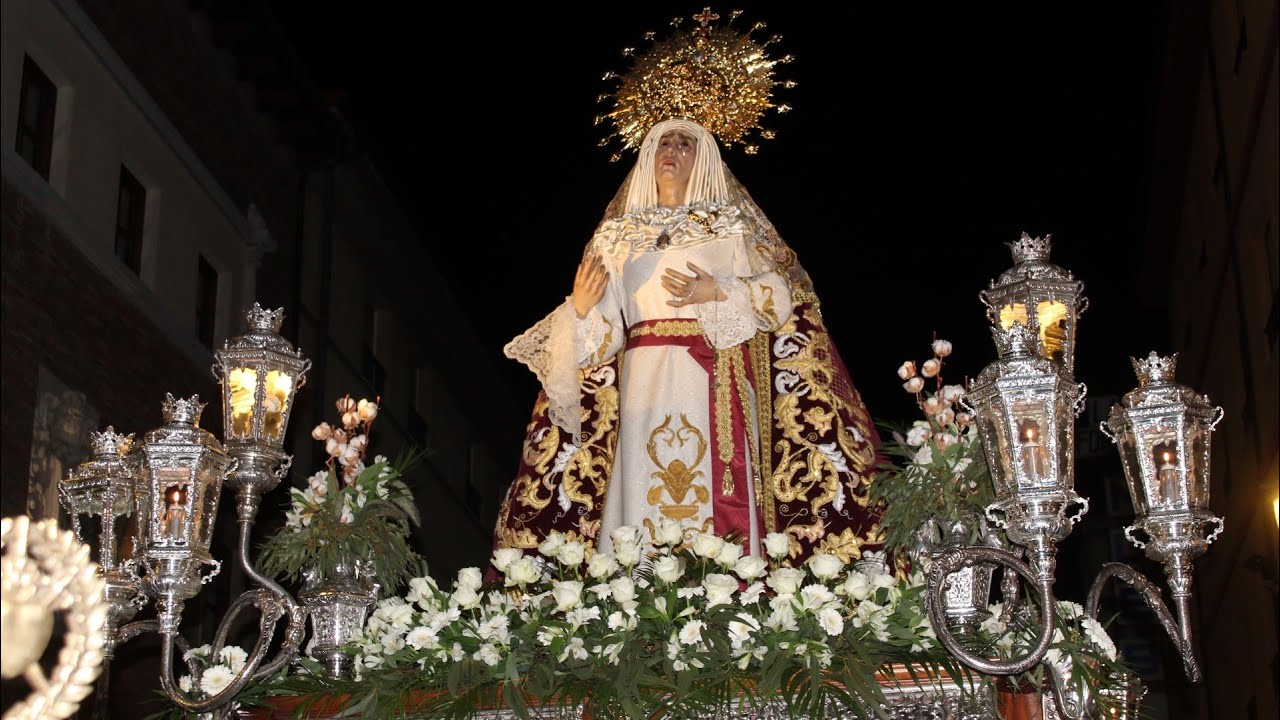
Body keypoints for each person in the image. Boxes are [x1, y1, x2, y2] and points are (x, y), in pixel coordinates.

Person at [495, 118, 882, 565]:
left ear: (705, 159)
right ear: (647, 155)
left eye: (685, 143)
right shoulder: (616, 238)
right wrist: (580, 308)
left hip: (713, 377)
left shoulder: (730, 228)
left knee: (716, 488)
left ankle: (724, 587)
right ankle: (635, 587)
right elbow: (603, 340)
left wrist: (717, 292)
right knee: (641, 478)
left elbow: (777, 299)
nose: (672, 150)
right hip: (643, 381)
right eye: (663, 141)